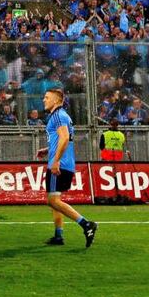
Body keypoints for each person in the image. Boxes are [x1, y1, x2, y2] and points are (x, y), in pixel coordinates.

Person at [38, 89, 98, 247]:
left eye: (47, 97)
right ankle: (58, 235)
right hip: (66, 163)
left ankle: (86, 224)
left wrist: (56, 160)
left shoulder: (57, 115)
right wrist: (47, 149)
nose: (44, 100)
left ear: (57, 101)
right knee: (54, 201)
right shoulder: (62, 115)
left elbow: (64, 137)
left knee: (53, 200)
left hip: (59, 164)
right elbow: (65, 138)